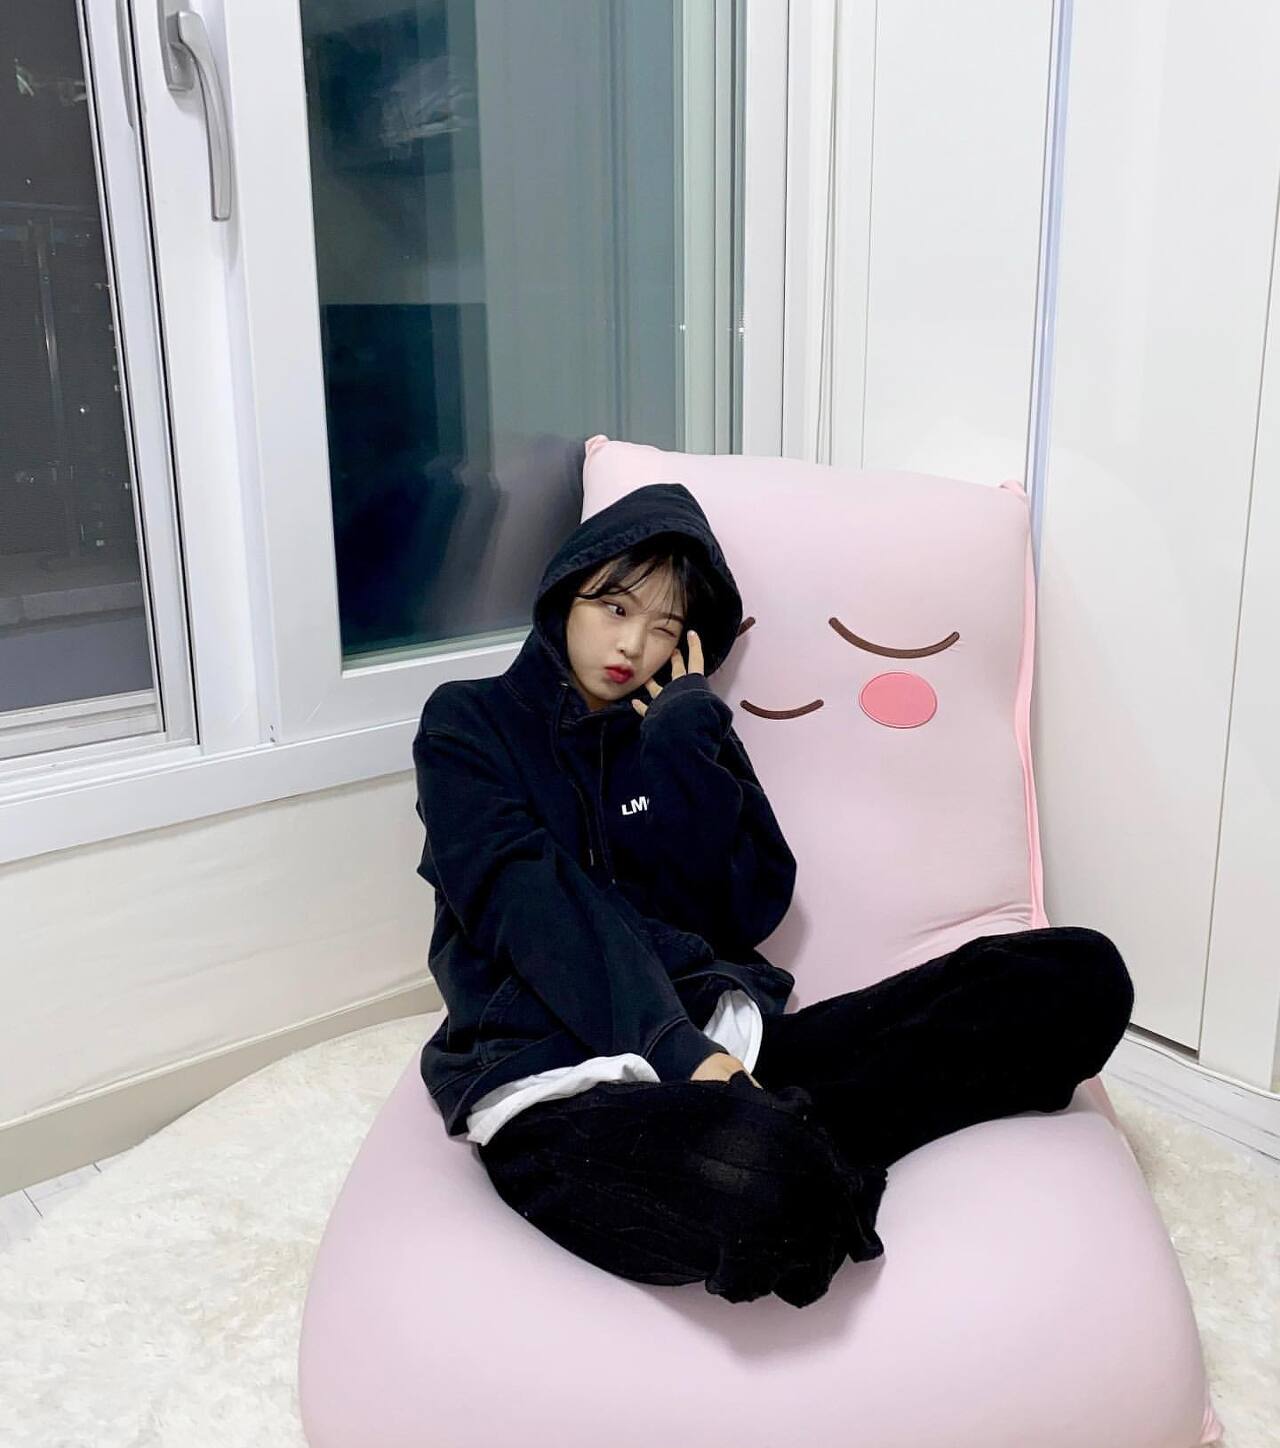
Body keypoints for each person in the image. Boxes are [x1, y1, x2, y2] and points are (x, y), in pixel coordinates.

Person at [410, 482, 1135, 1308]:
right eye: (614, 608)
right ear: (565, 592)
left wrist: (682, 744)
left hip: (727, 1051)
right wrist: (680, 1055)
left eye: (665, 628)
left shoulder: (680, 723)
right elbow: (532, 904)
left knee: (1074, 976)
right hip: (556, 1083)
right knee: (765, 1184)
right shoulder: (467, 724)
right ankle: (793, 1144)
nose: (634, 645)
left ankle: (787, 1128)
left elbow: (748, 908)